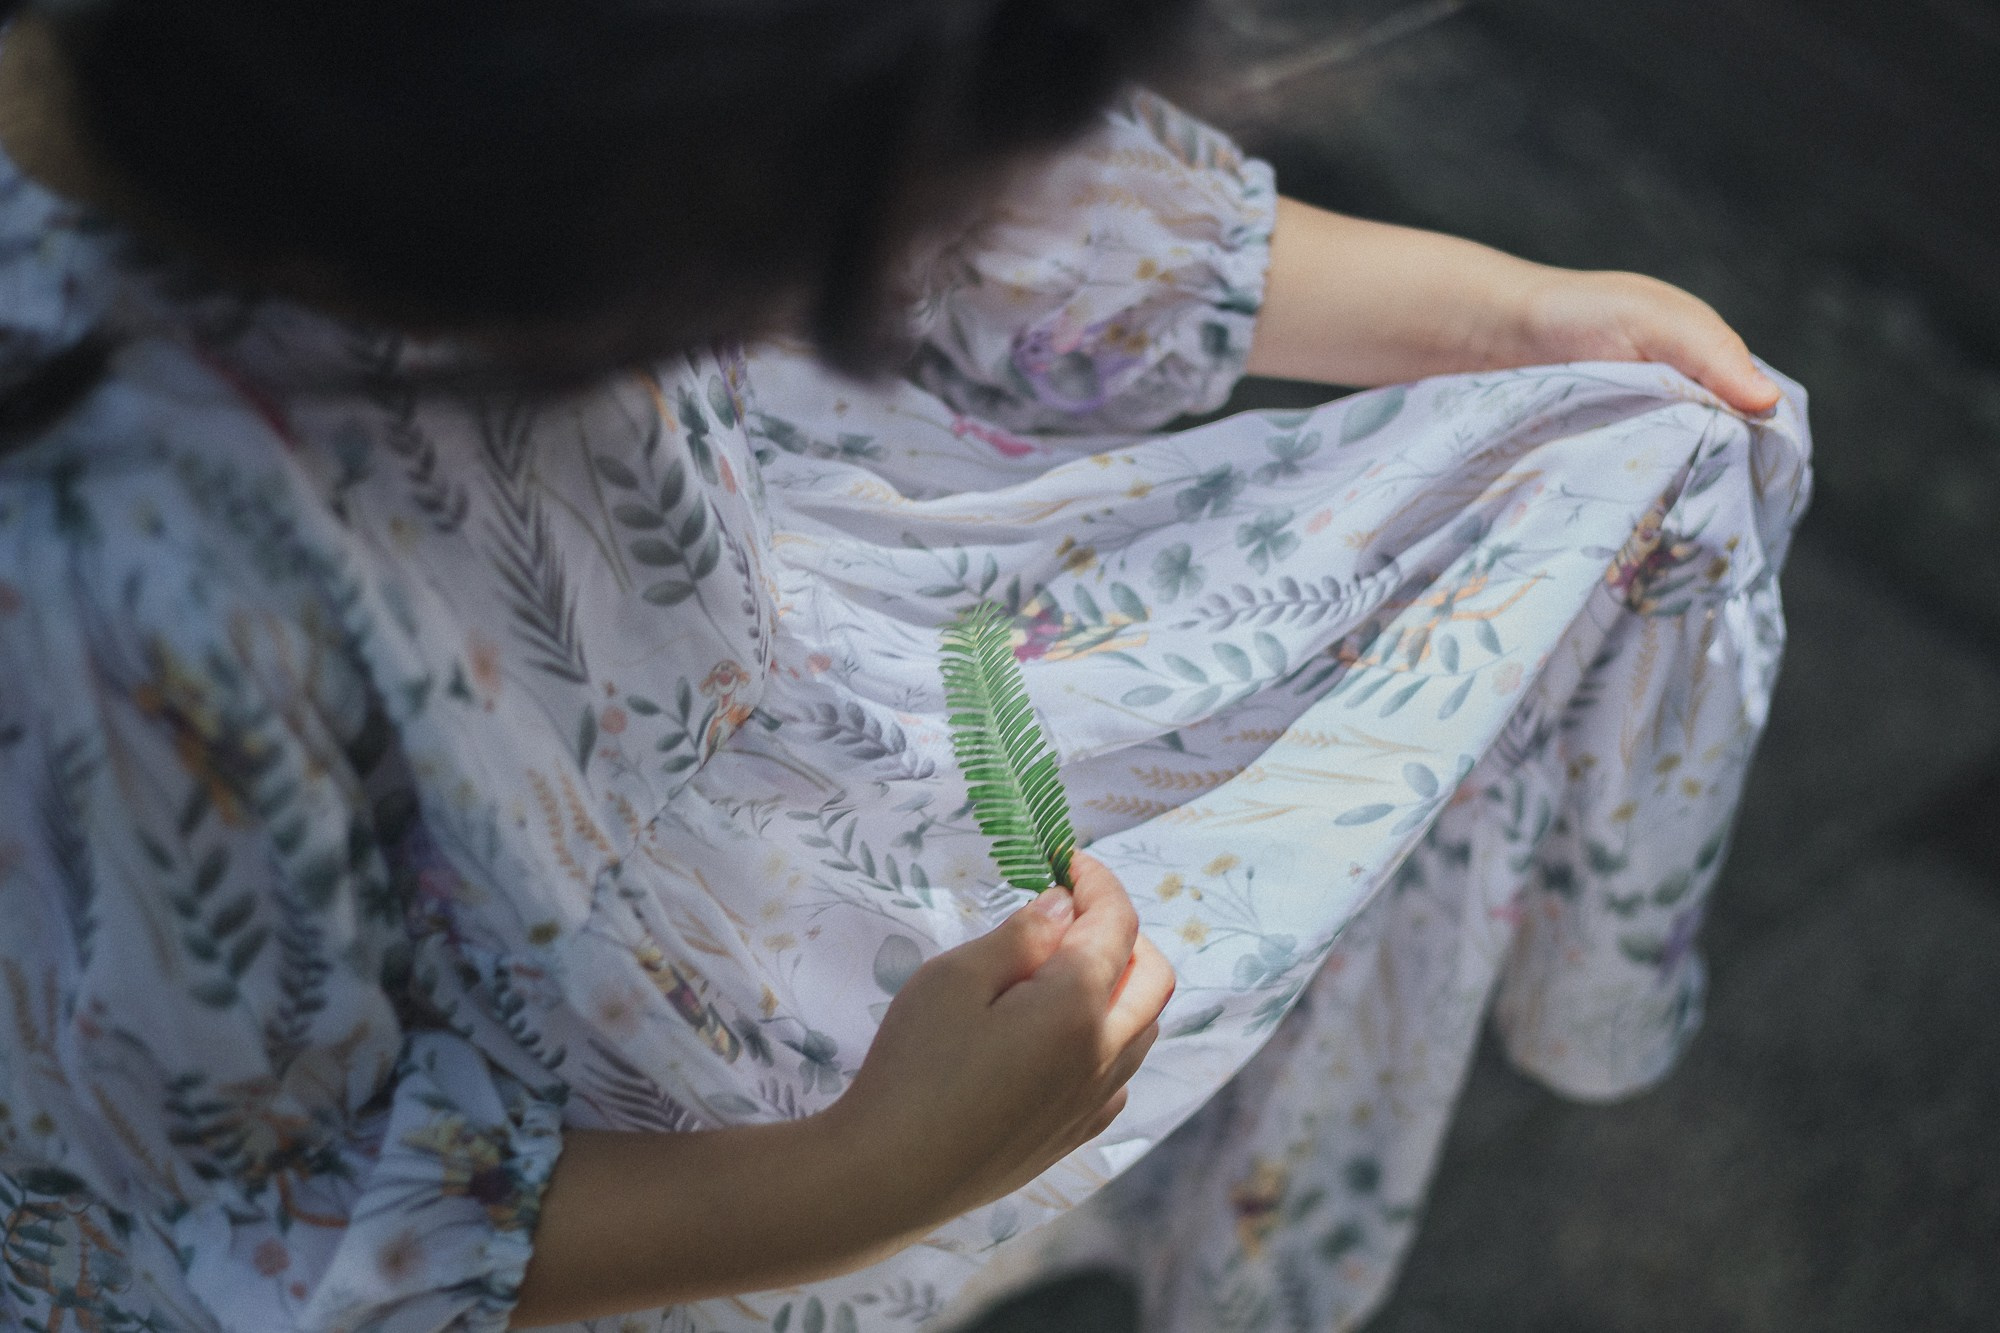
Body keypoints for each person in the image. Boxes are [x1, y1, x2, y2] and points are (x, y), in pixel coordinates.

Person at [0, 1, 1810, 1330]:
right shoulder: (99, 575)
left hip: (738, 739)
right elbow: (249, 1207)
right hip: (563, 1135)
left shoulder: (485, 111)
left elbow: (973, 207)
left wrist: (1498, 320)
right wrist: (868, 1181)